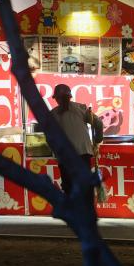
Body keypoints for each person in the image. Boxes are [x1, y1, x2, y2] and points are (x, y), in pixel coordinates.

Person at [47, 83, 103, 211]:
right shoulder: (81, 109)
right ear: (70, 97)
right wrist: (97, 141)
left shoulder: (52, 115)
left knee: (68, 185)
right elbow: (99, 123)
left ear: (56, 99)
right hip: (83, 152)